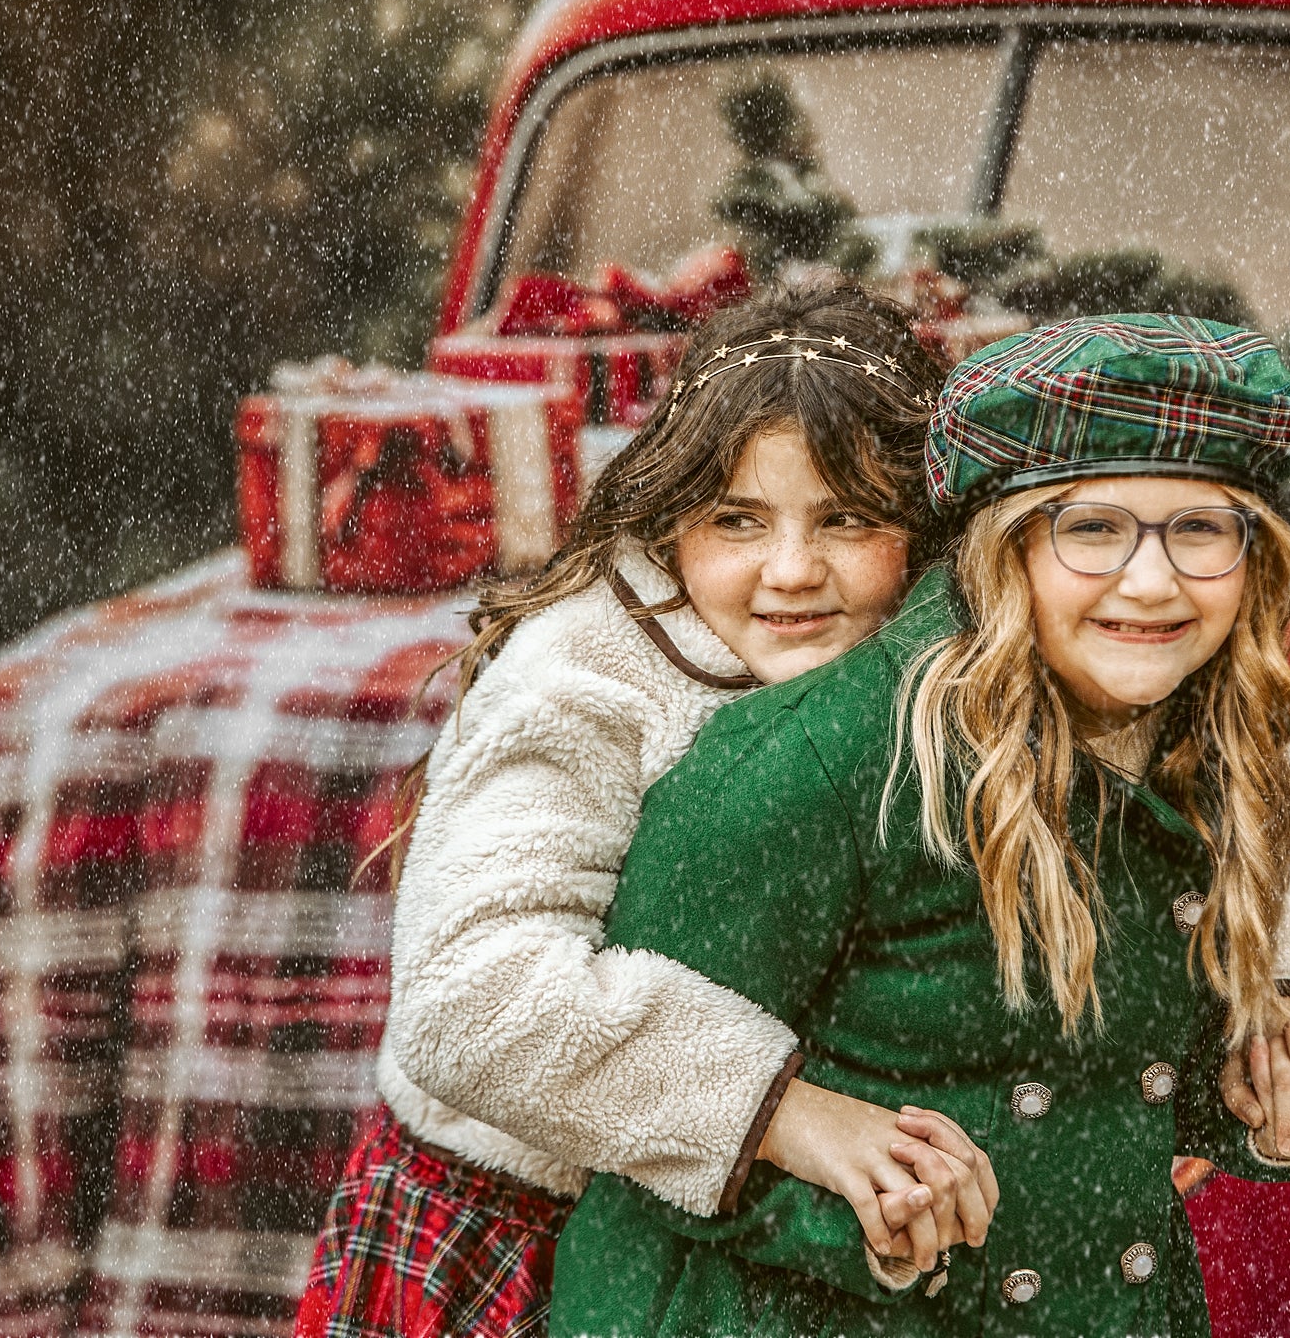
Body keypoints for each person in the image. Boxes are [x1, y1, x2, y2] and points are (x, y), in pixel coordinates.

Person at [549, 314, 1290, 1337]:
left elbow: (1118, 1081)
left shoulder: (1218, 752)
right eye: (1090, 529)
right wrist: (860, 1212)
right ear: (1004, 548)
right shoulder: (822, 759)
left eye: (1198, 530)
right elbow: (618, 1100)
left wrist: (1281, 1088)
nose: (1151, 581)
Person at [296, 283, 1002, 1338]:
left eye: (847, 519)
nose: (793, 570)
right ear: (671, 515)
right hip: (516, 1226)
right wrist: (783, 1109)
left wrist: (1268, 1002)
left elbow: (1213, 752)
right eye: (738, 520)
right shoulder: (585, 673)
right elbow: (470, 1000)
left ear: (922, 527)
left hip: (736, 1236)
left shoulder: (937, 652)